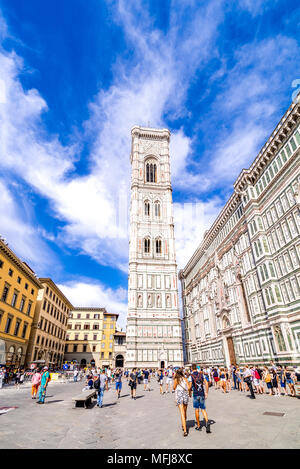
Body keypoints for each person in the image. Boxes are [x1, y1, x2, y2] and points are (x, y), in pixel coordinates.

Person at [189, 364, 211, 433]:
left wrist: (189, 392)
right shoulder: (202, 375)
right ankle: (207, 422)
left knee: (196, 410)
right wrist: (206, 392)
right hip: (202, 393)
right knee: (203, 409)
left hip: (195, 394)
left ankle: (198, 426)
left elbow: (189, 387)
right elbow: (206, 383)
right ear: (197, 368)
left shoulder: (191, 376)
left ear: (192, 369)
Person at [173, 368, 190, 437]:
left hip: (179, 395)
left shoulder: (176, 380)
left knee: (182, 413)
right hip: (185, 394)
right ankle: (184, 424)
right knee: (185, 411)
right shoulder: (185, 379)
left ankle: (185, 430)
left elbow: (174, 388)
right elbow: (189, 387)